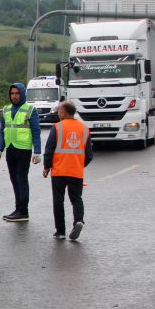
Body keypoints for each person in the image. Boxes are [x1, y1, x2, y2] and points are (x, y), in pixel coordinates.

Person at [42, 100, 93, 241]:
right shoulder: (84, 129)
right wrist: (78, 165)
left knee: (58, 200)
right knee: (76, 199)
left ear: (63, 112)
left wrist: (46, 167)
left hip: (59, 172)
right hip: (76, 172)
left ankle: (60, 231)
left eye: (59, 111)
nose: (58, 113)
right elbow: (89, 155)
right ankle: (79, 220)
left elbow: (49, 149)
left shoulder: (57, 127)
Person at [0, 82, 42, 222]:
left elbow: (36, 131)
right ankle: (18, 208)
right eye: (12, 93)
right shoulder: (6, 110)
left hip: (23, 149)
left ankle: (23, 211)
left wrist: (37, 151)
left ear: (22, 94)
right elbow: (2, 131)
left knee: (21, 178)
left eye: (17, 93)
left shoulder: (30, 110)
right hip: (10, 149)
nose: (14, 96)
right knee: (14, 179)